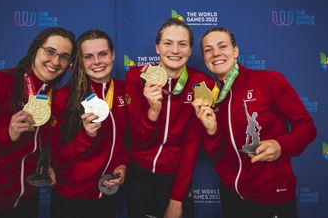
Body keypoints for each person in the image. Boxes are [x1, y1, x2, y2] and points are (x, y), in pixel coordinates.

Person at [193, 27, 317, 218]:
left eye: (222, 46)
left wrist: (280, 145)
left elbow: (307, 128)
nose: (216, 53)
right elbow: (216, 155)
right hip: (232, 198)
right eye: (208, 49)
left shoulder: (269, 81)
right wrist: (212, 132)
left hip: (272, 198)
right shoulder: (211, 98)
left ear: (236, 51)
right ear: (204, 58)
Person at [0, 27, 75, 218]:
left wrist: (45, 163)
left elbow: (39, 144)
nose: (55, 62)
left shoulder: (53, 97)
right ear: (35, 50)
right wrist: (6, 135)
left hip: (26, 201)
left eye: (64, 57)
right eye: (50, 52)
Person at [125, 18, 217, 218]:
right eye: (168, 43)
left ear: (190, 50)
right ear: (157, 47)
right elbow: (137, 138)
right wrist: (153, 111)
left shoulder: (202, 84)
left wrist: (177, 200)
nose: (175, 50)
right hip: (139, 174)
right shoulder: (137, 77)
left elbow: (192, 145)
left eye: (182, 44)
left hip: (176, 177)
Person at [50, 29, 129, 218]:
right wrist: (86, 136)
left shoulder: (124, 91)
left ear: (113, 55)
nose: (96, 62)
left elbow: (129, 137)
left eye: (103, 54)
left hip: (108, 194)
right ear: (80, 61)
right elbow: (56, 154)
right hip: (72, 198)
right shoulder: (64, 98)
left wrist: (124, 164)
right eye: (88, 56)